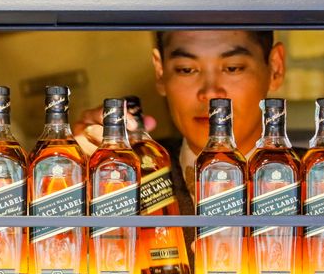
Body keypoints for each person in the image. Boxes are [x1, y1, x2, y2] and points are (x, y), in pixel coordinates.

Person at [73, 30, 286, 215]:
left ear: (275, 68)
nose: (210, 93)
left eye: (233, 68)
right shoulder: (131, 174)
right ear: (160, 72)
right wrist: (75, 177)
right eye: (186, 69)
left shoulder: (314, 178)